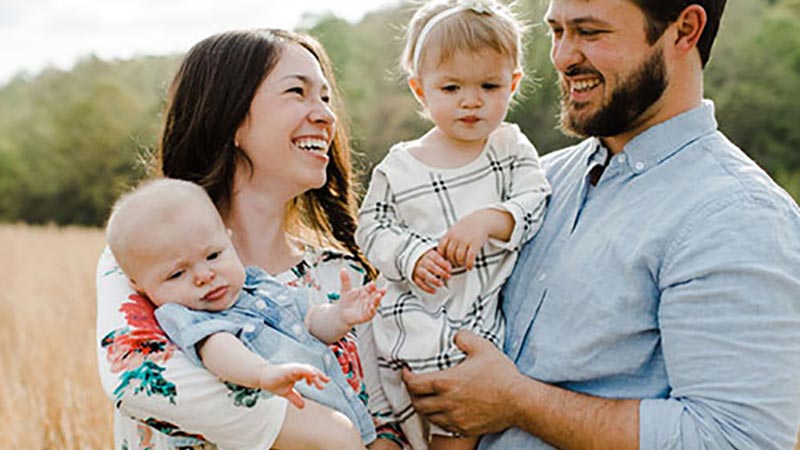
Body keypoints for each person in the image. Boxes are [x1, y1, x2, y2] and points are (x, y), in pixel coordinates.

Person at [400, 0, 800, 449]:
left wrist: (516, 401)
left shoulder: (736, 216)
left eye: (590, 33)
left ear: (684, 31)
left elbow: (734, 440)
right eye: (557, 32)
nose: (563, 57)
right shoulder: (539, 182)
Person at [96, 29, 395, 450]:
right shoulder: (147, 260)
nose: (327, 116)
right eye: (298, 92)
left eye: (325, 98)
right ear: (230, 118)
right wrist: (329, 434)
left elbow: (384, 422)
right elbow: (139, 381)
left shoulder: (341, 275)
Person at [355, 1, 550, 449]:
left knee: (455, 420)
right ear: (420, 90)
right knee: (393, 420)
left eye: (489, 85)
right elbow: (372, 227)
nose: (471, 100)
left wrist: (491, 219)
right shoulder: (401, 167)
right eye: (451, 87)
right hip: (413, 318)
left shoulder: (508, 149)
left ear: (513, 85)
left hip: (475, 322)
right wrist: (412, 255)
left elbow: (536, 198)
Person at [105, 178, 386, 447]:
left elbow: (310, 322)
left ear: (229, 242)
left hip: (338, 421)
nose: (204, 275)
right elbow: (217, 349)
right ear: (138, 286)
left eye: (214, 255)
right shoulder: (186, 315)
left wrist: (339, 316)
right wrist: (263, 374)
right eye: (177, 273)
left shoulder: (259, 285)